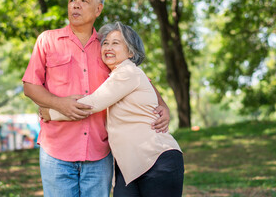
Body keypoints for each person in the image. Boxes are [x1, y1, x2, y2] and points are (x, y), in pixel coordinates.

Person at [22, 0, 171, 197]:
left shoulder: (108, 46)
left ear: (98, 9)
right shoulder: (48, 40)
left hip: (98, 152)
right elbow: (29, 86)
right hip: (55, 150)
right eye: (72, 0)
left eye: (84, 0)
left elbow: (139, 78)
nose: (75, 5)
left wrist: (163, 105)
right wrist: (58, 104)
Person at [41, 22, 184, 197]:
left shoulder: (128, 72)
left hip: (156, 160)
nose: (108, 47)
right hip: (129, 167)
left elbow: (92, 103)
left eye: (116, 43)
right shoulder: (117, 76)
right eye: (106, 43)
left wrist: (50, 112)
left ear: (131, 52)